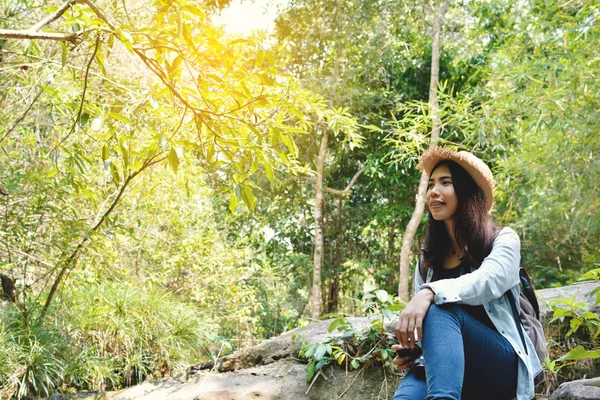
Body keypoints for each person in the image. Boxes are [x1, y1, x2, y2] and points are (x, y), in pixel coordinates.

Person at [391, 148, 542, 400]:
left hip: (499, 364)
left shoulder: (503, 240)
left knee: (440, 307)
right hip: (447, 367)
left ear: (467, 190)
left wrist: (431, 292)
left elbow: (489, 281)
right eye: (431, 184)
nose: (433, 191)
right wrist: (412, 350)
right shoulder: (427, 261)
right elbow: (431, 331)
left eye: (445, 183)